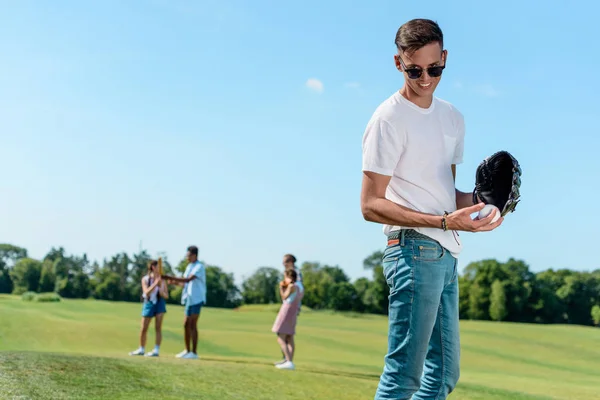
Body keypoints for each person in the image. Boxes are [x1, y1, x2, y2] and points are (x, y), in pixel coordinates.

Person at [360, 19, 503, 399]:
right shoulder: (387, 120)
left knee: (442, 377)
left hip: (447, 254)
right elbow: (370, 204)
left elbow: (443, 194)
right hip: (411, 251)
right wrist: (442, 220)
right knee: (404, 376)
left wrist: (484, 202)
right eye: (414, 70)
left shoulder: (452, 117)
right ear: (397, 63)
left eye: (434, 68)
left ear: (444, 58)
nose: (426, 78)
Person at [163, 245, 206, 360]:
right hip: (189, 298)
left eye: (189, 256)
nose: (187, 258)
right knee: (186, 324)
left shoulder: (199, 267)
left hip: (197, 298)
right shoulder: (189, 267)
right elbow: (185, 283)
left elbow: (188, 280)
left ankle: (194, 352)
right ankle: (187, 350)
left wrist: (169, 276)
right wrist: (174, 282)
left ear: (194, 255)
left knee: (193, 324)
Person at [129, 258, 169, 357]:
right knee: (144, 327)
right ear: (153, 267)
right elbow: (146, 292)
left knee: (158, 327)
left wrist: (161, 291)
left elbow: (166, 295)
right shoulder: (146, 279)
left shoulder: (162, 279)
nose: (159, 269)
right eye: (157, 267)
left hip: (160, 302)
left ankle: (156, 350)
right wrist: (155, 284)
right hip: (149, 302)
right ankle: (141, 349)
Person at [271, 268, 303, 371]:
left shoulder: (291, 286)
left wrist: (281, 287)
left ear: (289, 277)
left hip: (286, 312)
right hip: (293, 314)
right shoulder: (298, 287)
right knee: (290, 338)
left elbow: (284, 297)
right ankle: (289, 361)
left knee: (280, 337)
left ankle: (288, 361)